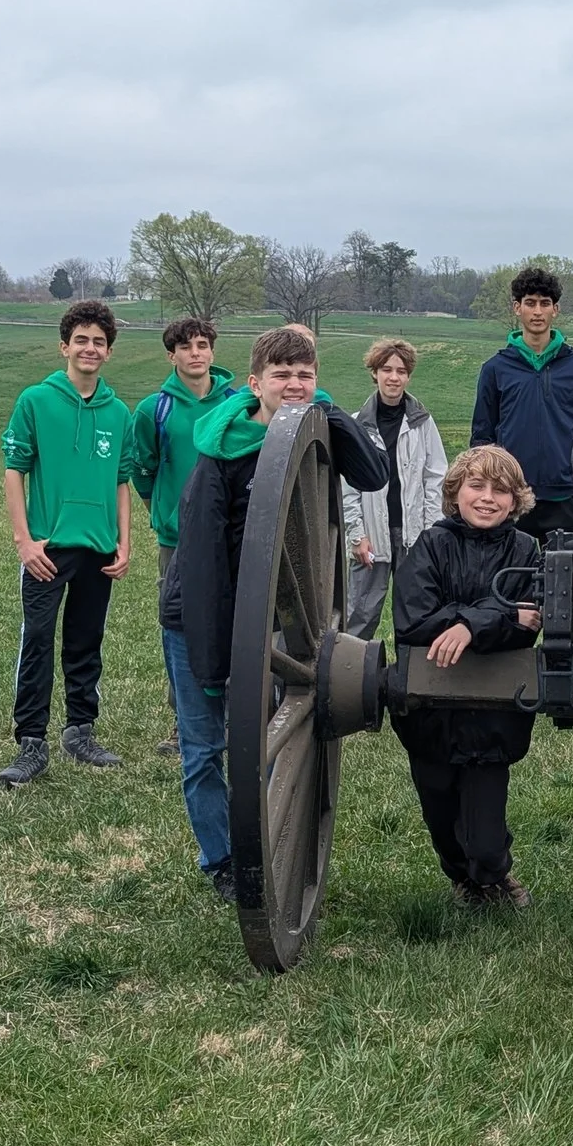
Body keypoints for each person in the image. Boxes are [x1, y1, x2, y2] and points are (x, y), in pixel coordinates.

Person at [168, 327, 388, 899]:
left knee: (268, 738)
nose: (293, 385)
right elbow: (203, 561)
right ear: (254, 383)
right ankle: (221, 861)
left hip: (281, 621)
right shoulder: (224, 452)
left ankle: (263, 849)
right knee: (206, 748)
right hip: (203, 615)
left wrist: (329, 414)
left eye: (304, 376)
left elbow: (372, 475)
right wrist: (218, 662)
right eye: (281, 375)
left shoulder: (316, 427)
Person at [390, 446, 544, 907]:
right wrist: (488, 620)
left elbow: (529, 621)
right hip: (430, 710)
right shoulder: (431, 545)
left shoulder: (526, 551)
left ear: (516, 502)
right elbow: (415, 620)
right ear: (455, 493)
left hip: (492, 714)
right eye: (476, 486)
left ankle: (493, 873)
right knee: (438, 809)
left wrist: (467, 625)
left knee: (486, 831)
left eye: (501, 490)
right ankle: (462, 878)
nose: (487, 498)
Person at [0, 299, 132, 787]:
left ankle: (81, 730)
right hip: (47, 548)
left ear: (108, 352)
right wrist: (24, 541)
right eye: (82, 340)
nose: (90, 348)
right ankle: (31, 742)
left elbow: (121, 480)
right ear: (64, 346)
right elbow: (15, 470)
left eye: (99, 341)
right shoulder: (35, 400)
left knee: (85, 640)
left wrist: (124, 541)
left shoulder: (118, 412)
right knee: (37, 641)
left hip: (99, 547)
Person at [128, 317, 241, 754]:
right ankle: (184, 723)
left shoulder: (235, 402)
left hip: (229, 536)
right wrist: (163, 514)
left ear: (212, 351)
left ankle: (236, 717)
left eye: (202, 345)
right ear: (170, 355)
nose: (195, 353)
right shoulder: (154, 409)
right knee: (181, 628)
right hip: (177, 541)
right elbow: (144, 467)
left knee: (235, 625)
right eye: (185, 347)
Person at [469, 265, 573, 539]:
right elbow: (482, 439)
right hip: (511, 496)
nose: (538, 311)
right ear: (517, 308)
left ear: (556, 309)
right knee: (511, 579)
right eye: (530, 303)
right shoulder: (495, 369)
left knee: (566, 579)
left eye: (545, 303)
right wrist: (492, 488)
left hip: (567, 498)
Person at [342, 337, 447, 636]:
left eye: (401, 371)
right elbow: (349, 486)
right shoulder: (357, 425)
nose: (393, 377)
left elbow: (435, 478)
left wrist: (431, 532)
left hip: (412, 534)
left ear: (408, 376)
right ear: (374, 373)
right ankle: (352, 673)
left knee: (415, 612)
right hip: (372, 536)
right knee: (360, 614)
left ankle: (410, 675)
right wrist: (356, 535)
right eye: (386, 369)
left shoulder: (422, 423)